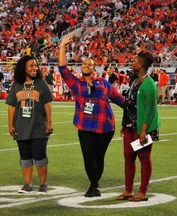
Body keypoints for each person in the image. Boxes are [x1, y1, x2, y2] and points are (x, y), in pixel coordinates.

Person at [58, 35, 125, 197]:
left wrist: (135, 110)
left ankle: (94, 186)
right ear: (81, 68)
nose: (86, 65)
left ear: (94, 70)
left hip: (105, 126)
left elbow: (119, 100)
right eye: (84, 63)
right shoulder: (76, 83)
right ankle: (94, 185)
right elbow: (63, 69)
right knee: (88, 157)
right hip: (85, 125)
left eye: (90, 64)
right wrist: (62, 47)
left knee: (98, 157)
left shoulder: (103, 83)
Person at [117, 51, 161, 202]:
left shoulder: (149, 84)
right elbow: (128, 104)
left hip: (143, 127)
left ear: (141, 64)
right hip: (130, 125)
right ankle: (128, 190)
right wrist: (124, 124)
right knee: (128, 157)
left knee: (143, 158)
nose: (132, 63)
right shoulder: (134, 80)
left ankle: (142, 192)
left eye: (135, 61)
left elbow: (150, 109)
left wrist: (143, 130)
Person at [6, 55, 53, 194]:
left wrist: (49, 123)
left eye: (35, 65)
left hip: (38, 126)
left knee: (39, 155)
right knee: (25, 156)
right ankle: (27, 184)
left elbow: (47, 104)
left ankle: (43, 184)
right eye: (30, 66)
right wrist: (10, 125)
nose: (34, 68)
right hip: (21, 126)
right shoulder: (16, 85)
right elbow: (11, 107)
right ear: (23, 68)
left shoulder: (41, 83)